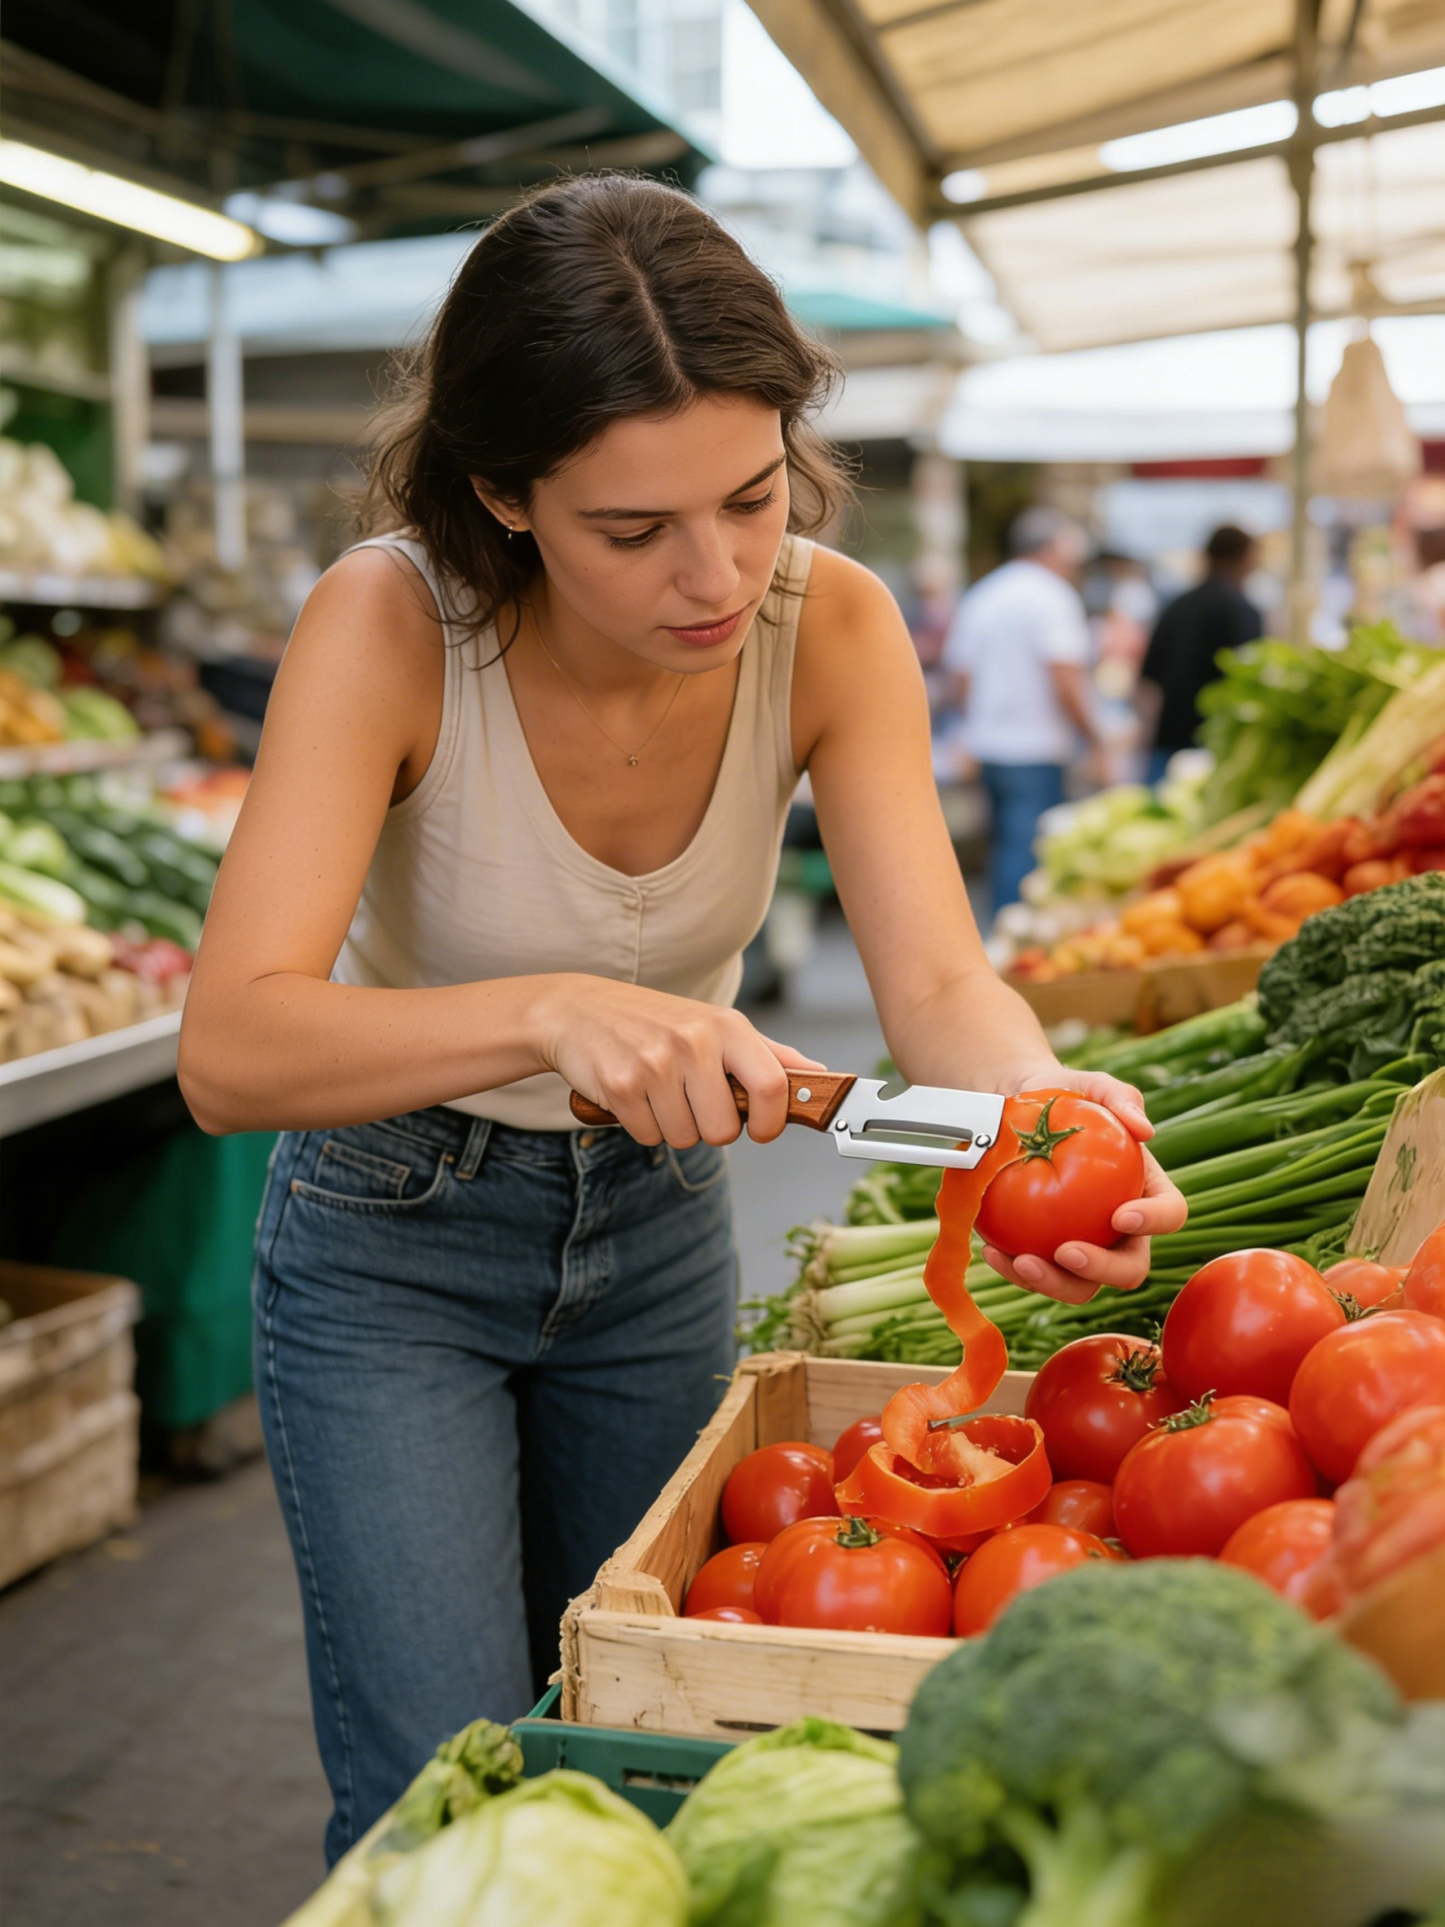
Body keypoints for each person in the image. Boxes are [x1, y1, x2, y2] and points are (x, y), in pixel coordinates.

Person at [176, 176, 1185, 1864]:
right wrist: (556, 1011)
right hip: (390, 1243)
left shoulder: (835, 621)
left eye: (749, 493)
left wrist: (1043, 1109)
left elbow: (937, 984)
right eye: (632, 532)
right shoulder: (393, 620)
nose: (714, 573)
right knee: (441, 1798)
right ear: (505, 494)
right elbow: (234, 1046)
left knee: (665, 1749)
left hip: (654, 1237)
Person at [944, 507, 1101, 912]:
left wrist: (975, 724)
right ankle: (1013, 947)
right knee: (1027, 852)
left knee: (1001, 848)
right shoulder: (1053, 596)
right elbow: (1065, 678)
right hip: (1036, 747)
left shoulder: (983, 594)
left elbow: (959, 678)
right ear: (1051, 548)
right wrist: (1096, 739)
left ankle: (996, 936)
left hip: (988, 746)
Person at [1139, 524, 1262, 782]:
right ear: (1244, 558)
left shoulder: (1176, 606)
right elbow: (1252, 683)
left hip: (1168, 738)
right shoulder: (1243, 611)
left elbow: (1148, 679)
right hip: (1216, 746)